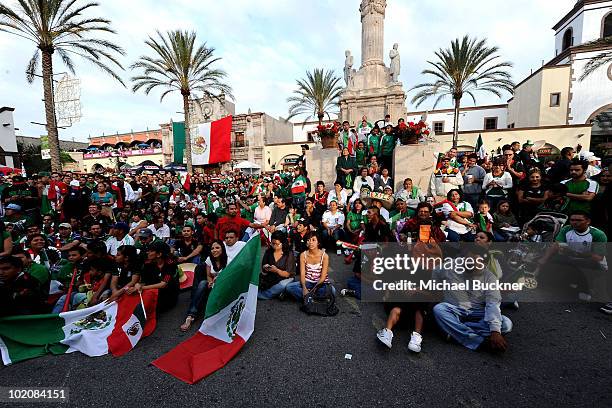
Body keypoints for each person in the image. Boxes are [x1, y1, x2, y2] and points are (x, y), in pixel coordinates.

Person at [432, 245, 513, 352]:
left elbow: (493, 304)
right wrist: (437, 290)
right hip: (453, 309)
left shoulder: (490, 278)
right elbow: (436, 272)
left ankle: (454, 330)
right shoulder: (451, 265)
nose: (469, 266)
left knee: (506, 324)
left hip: (477, 312)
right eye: (468, 261)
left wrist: (495, 332)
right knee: (439, 309)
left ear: (484, 265)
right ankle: (478, 341)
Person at [180, 239, 228, 331]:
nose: (214, 250)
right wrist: (210, 282)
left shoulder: (229, 260)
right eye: (212, 248)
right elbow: (208, 275)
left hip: (223, 286)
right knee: (203, 283)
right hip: (212, 286)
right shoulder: (209, 259)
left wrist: (219, 280)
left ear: (222, 249)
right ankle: (190, 316)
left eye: (217, 248)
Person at [129, 241, 178, 312]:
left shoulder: (170, 265)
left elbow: (163, 284)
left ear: (159, 254)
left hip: (167, 295)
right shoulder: (148, 265)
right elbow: (144, 281)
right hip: (151, 289)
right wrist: (137, 285)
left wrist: (142, 288)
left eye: (151, 251)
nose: (147, 253)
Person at [286, 231, 334, 300]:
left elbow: (323, 277)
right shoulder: (303, 255)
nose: (310, 242)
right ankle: (313, 298)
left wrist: (313, 289)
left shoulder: (325, 256)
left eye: (313, 240)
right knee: (289, 287)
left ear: (318, 242)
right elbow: (302, 274)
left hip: (320, 284)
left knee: (333, 291)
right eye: (308, 240)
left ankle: (308, 297)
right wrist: (304, 288)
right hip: (307, 282)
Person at [259, 231, 296, 300]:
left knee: (283, 285)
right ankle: (280, 293)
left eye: (277, 244)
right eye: (273, 244)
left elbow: (287, 274)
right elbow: (263, 269)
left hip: (285, 278)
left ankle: (265, 295)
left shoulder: (289, 253)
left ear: (283, 243)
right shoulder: (269, 251)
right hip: (272, 277)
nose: (274, 246)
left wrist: (276, 270)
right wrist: (265, 267)